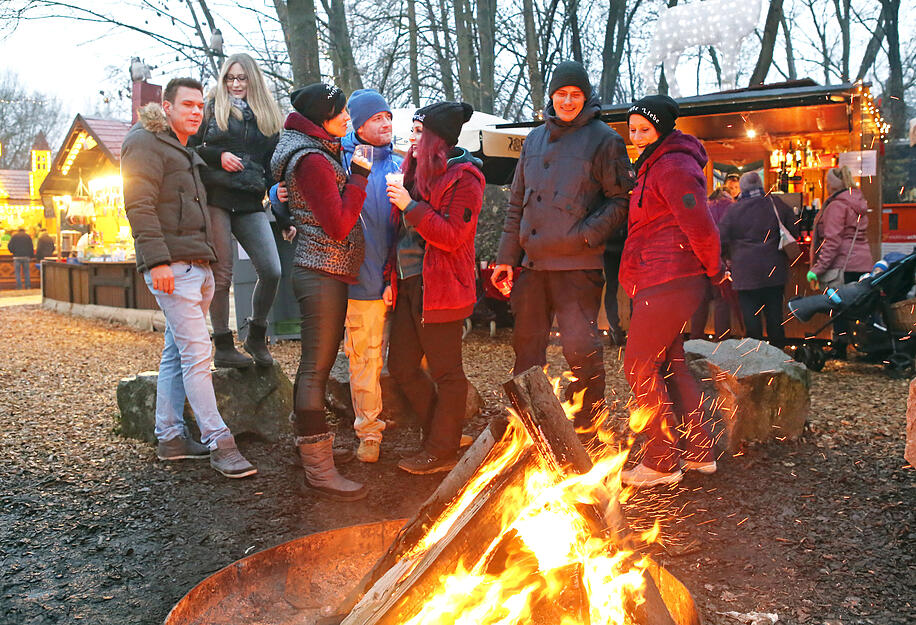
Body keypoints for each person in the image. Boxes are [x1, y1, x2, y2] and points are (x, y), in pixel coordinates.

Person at [121, 77, 257, 478]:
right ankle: (220, 441)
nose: (197, 112)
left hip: (194, 265)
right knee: (199, 355)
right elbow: (139, 205)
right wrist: (157, 262)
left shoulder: (181, 147)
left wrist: (208, 264)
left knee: (175, 353)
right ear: (166, 107)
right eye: (188, 105)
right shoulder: (144, 142)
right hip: (172, 266)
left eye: (200, 106)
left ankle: (171, 439)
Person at [491, 60, 633, 429]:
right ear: (550, 96)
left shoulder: (606, 140)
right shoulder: (534, 140)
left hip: (577, 267)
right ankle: (526, 421)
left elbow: (621, 201)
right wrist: (507, 257)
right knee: (526, 346)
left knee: (580, 349)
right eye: (561, 94)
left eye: (575, 95)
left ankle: (590, 423)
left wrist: (584, 235)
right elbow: (516, 202)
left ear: (586, 98)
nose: (568, 101)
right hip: (533, 266)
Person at [270, 83, 370, 500]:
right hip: (321, 271)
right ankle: (319, 470)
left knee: (316, 367)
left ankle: (311, 450)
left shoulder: (314, 148)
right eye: (341, 112)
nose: (348, 118)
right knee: (315, 369)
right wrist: (360, 179)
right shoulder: (311, 159)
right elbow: (339, 223)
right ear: (320, 118)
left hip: (325, 270)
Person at [618, 95, 725, 488]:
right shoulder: (652, 165)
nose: (637, 137)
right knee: (672, 362)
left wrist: (716, 269)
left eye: (644, 129)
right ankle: (699, 452)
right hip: (659, 277)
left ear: (662, 129)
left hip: (669, 278)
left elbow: (699, 223)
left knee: (637, 364)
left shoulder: (673, 164)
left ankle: (662, 460)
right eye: (632, 130)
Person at [385, 102, 484, 474]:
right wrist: (389, 280)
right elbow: (400, 238)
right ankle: (441, 433)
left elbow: (452, 236)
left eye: (417, 133)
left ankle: (441, 450)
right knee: (401, 366)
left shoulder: (466, 177)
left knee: (448, 374)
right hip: (410, 285)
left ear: (436, 139)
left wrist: (410, 206)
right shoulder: (413, 170)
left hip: (442, 288)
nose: (410, 140)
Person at [189, 53, 285, 368]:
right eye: (230, 78)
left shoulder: (269, 115)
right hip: (216, 196)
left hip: (250, 200)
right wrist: (219, 156)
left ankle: (256, 334)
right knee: (222, 274)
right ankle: (223, 345)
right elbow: (191, 148)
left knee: (271, 269)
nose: (236, 84)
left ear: (252, 79)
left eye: (242, 78)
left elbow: (274, 169)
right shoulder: (212, 106)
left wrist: (284, 214)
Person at [339, 89, 401, 463]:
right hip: (359, 281)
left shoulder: (400, 165)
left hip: (398, 280)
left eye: (388, 117)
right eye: (378, 118)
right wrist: (276, 194)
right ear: (359, 124)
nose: (386, 124)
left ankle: (423, 423)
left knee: (403, 358)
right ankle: (369, 432)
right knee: (364, 358)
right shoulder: (339, 162)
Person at [718, 172, 798, 346]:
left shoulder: (734, 210)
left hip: (746, 273)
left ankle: (755, 357)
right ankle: (778, 357)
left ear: (743, 187)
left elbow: (721, 240)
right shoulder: (776, 204)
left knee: (751, 318)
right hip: (774, 270)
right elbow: (794, 230)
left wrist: (729, 257)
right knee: (775, 317)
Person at [807, 165, 873, 358]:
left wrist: (817, 269)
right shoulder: (857, 201)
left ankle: (840, 346)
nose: (826, 186)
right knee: (858, 308)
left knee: (838, 307)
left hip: (843, 266)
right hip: (862, 263)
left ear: (832, 185)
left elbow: (832, 242)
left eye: (827, 183)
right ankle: (866, 345)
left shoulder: (837, 205)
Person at [689, 186, 735, 340]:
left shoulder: (703, 207)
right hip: (721, 260)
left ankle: (695, 341)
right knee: (722, 301)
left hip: (700, 261)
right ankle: (722, 342)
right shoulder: (731, 207)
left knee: (700, 303)